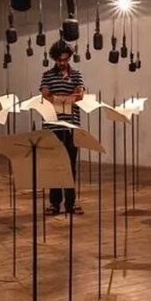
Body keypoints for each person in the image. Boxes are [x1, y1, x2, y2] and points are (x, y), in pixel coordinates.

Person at [39, 39, 85, 215]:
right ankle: (54, 203)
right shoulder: (48, 75)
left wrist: (58, 97)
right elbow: (45, 95)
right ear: (54, 59)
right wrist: (64, 98)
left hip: (71, 124)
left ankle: (71, 203)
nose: (63, 63)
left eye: (66, 60)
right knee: (54, 165)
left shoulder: (76, 74)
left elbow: (79, 94)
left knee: (70, 165)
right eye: (60, 60)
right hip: (53, 125)